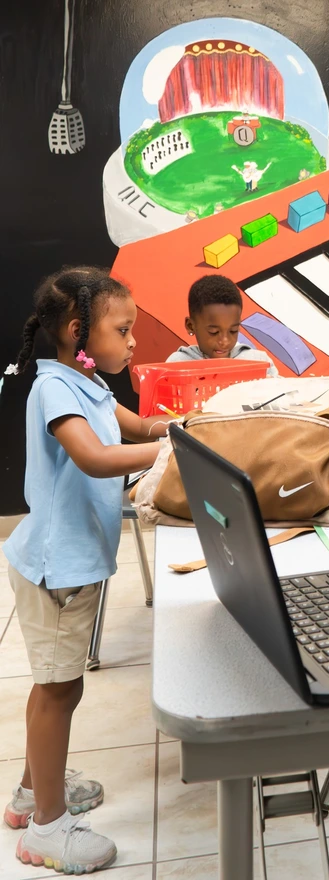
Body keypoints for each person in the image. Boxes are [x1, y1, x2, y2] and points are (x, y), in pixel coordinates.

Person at [2, 267, 174, 873]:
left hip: (69, 567)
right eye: (122, 329)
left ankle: (30, 793)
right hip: (56, 571)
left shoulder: (84, 380)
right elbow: (96, 457)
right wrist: (172, 451)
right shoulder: (53, 390)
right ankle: (45, 828)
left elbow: (128, 424)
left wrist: (173, 429)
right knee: (56, 691)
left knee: (63, 685)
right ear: (79, 332)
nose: (132, 342)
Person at [167, 276, 277, 371]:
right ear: (190, 326)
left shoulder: (258, 362)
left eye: (233, 331)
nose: (225, 341)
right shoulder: (178, 365)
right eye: (214, 332)